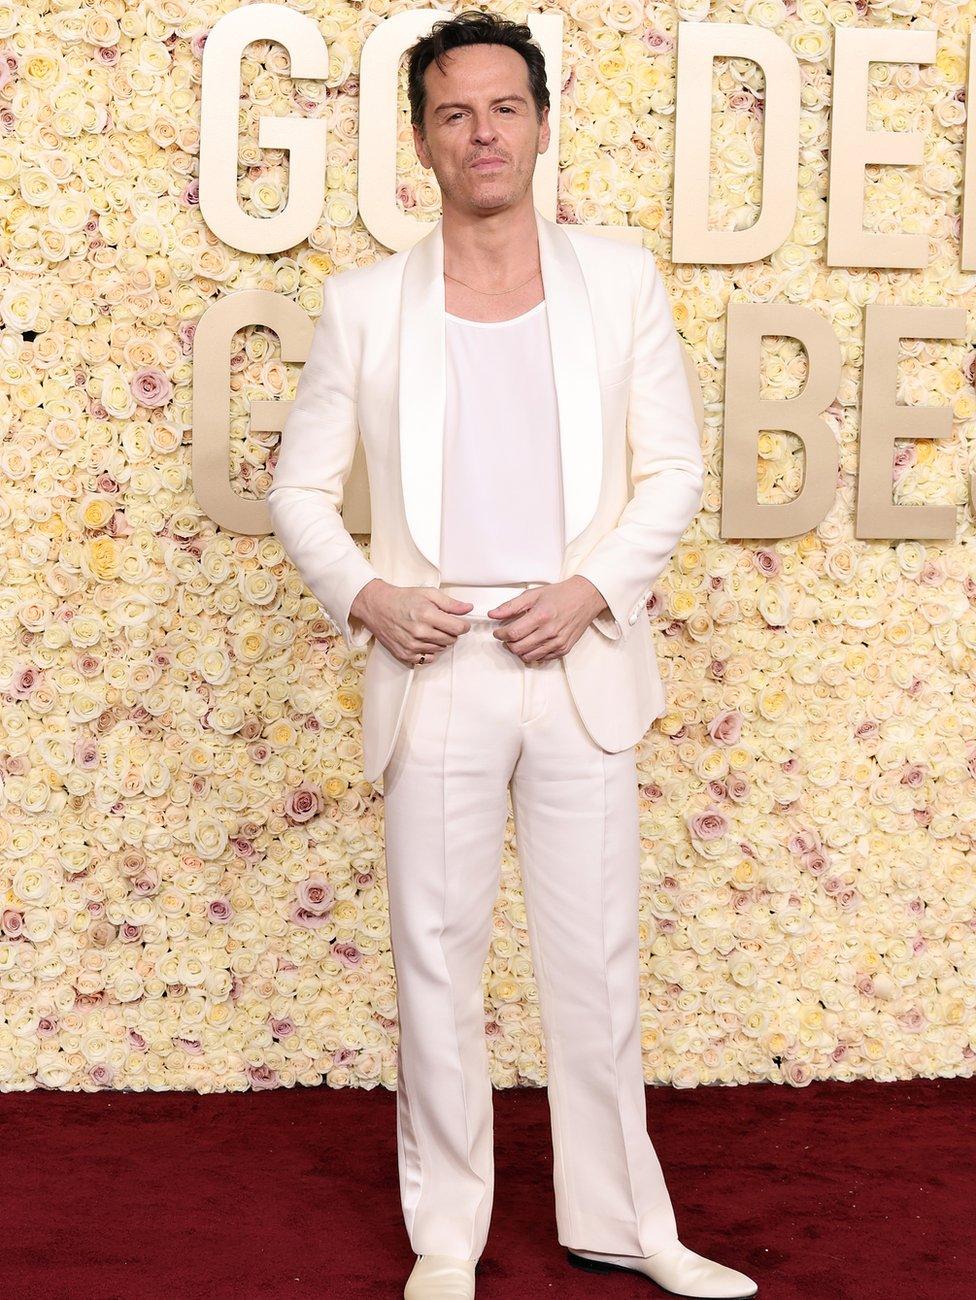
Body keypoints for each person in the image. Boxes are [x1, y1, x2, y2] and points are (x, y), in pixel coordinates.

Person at [267, 10, 759, 1299]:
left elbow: (672, 473)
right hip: (435, 661)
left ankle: (621, 1220)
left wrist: (592, 587)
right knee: (436, 950)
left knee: (594, 956)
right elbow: (301, 492)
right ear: (421, 143)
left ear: (539, 126)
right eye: (452, 113)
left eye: (504, 108)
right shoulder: (367, 301)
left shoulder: (622, 280)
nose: (481, 132)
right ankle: (449, 1235)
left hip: (577, 653)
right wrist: (370, 596)